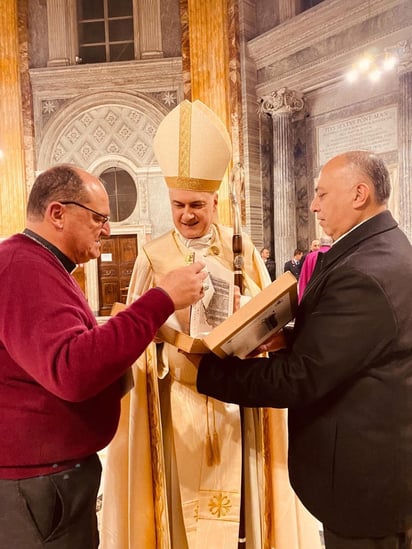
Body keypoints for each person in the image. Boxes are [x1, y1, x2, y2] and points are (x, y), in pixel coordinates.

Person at [100, 100, 321, 549]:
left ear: (215, 200)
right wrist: (168, 333)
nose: (187, 214)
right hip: (173, 398)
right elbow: (138, 339)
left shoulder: (242, 252)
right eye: (178, 204)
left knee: (242, 496)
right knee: (176, 503)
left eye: (197, 204)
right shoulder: (152, 256)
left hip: (236, 399)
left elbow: (271, 321)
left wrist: (253, 317)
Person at [195, 150, 412, 549]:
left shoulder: (365, 271)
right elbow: (355, 346)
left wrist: (206, 373)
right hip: (372, 468)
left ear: (359, 194)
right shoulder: (379, 248)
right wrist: (290, 337)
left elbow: (302, 378)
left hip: (363, 486)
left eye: (322, 194)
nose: (313, 205)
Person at [0, 164, 207, 548]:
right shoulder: (22, 267)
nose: (107, 230)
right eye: (98, 218)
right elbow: (71, 370)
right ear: (57, 213)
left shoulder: (42, 265)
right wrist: (160, 300)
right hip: (39, 485)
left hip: (52, 476)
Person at [298, 236, 332, 301]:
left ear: (320, 244)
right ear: (331, 243)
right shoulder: (336, 253)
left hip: (313, 296)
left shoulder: (310, 257)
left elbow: (303, 280)